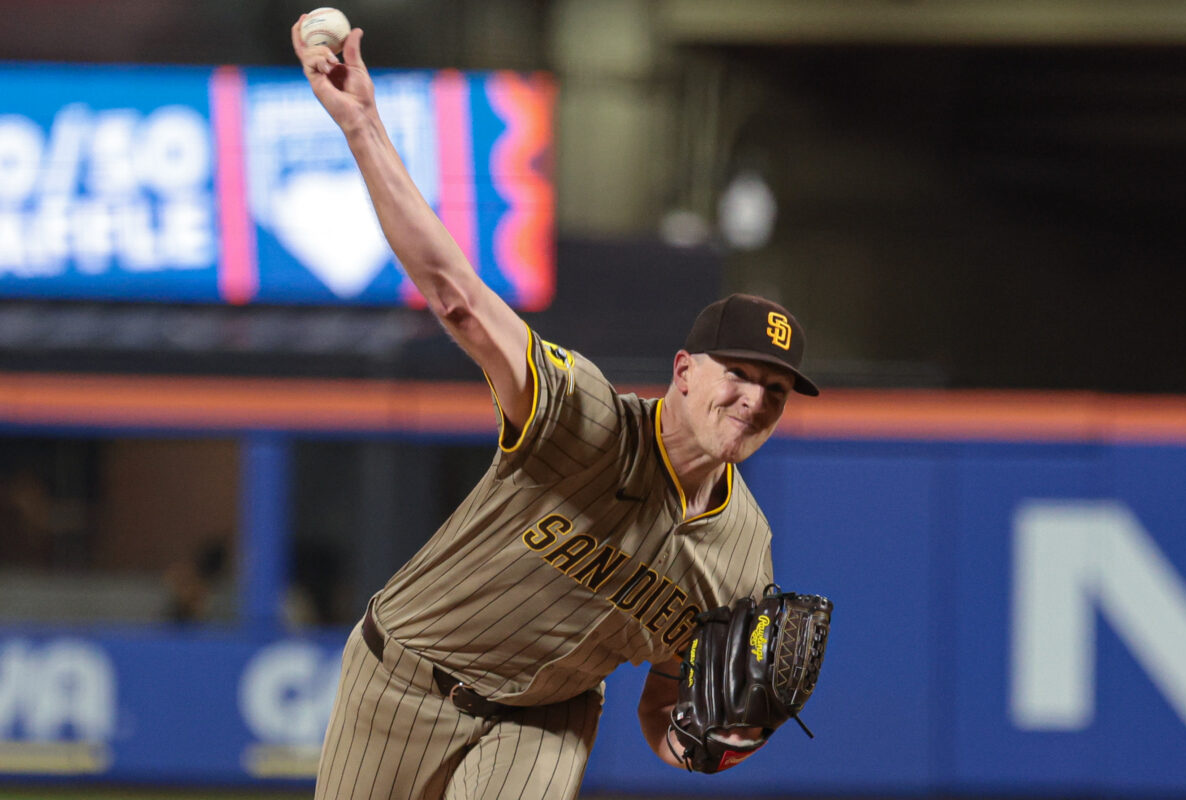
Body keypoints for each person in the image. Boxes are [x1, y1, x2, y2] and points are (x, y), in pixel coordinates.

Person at [292, 15, 820, 800]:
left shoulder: (743, 558)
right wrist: (363, 124)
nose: (753, 399)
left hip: (544, 719)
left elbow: (666, 705)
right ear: (682, 371)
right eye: (737, 374)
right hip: (401, 679)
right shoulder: (586, 421)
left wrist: (704, 743)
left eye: (774, 390)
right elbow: (457, 296)